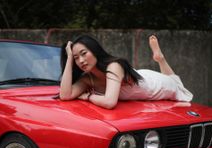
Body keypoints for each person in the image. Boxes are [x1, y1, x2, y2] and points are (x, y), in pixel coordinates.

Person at [59, 34, 193, 109]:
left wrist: (89, 97)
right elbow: (65, 95)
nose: (81, 60)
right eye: (76, 58)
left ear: (94, 50)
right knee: (172, 79)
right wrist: (69, 58)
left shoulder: (114, 66)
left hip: (156, 84)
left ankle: (160, 59)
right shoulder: (88, 78)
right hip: (139, 76)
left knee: (174, 83)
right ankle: (160, 59)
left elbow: (110, 102)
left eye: (84, 53)